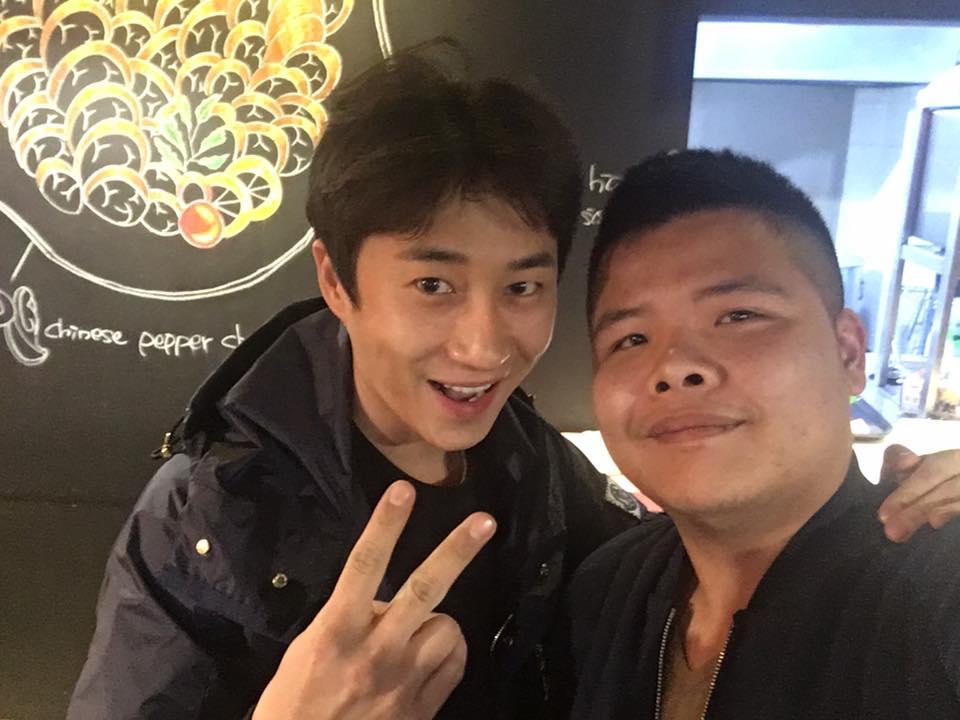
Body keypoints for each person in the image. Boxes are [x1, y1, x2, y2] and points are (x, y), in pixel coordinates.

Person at [68, 50, 960, 719]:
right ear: (337, 282)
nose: (484, 344)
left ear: (850, 350)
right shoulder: (207, 518)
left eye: (524, 287)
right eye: (433, 284)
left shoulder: (540, 473)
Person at [566, 149, 960, 719]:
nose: (674, 366)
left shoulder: (934, 591)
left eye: (739, 316)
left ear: (849, 352)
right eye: (631, 339)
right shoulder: (607, 590)